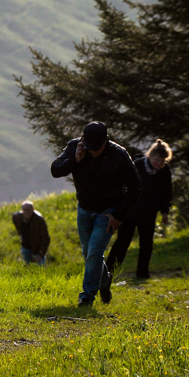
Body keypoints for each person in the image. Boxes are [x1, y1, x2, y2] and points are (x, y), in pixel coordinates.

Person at [51, 121, 141, 307]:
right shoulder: (74, 147)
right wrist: (75, 160)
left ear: (106, 140)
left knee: (94, 253)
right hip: (84, 209)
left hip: (108, 212)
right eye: (90, 147)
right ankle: (104, 280)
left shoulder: (119, 154)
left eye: (97, 147)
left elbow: (135, 187)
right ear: (83, 140)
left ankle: (87, 297)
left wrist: (119, 215)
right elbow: (55, 170)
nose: (93, 151)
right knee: (88, 253)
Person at [105, 139, 173, 280]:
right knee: (122, 242)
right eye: (157, 160)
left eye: (162, 161)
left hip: (149, 212)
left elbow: (166, 192)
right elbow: (123, 186)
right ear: (150, 155)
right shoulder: (136, 165)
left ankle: (142, 273)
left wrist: (165, 211)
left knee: (147, 244)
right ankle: (108, 272)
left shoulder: (164, 170)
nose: (159, 163)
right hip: (130, 211)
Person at [12, 200, 50, 265]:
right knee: (27, 266)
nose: (27, 212)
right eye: (25, 210)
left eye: (28, 210)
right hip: (25, 247)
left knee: (41, 267)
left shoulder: (39, 220)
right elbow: (15, 217)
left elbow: (45, 238)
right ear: (22, 210)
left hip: (37, 249)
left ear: (33, 209)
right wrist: (20, 234)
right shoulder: (19, 217)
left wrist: (41, 254)